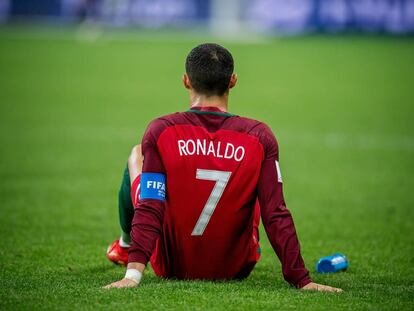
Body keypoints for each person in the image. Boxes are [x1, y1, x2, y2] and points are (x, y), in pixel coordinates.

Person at [104, 43, 342, 292]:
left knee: (138, 154)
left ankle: (125, 245)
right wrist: (302, 280)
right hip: (236, 268)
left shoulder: (162, 130)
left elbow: (151, 206)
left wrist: (132, 276)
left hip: (170, 265)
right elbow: (275, 213)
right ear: (233, 81)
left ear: (186, 81)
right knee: (255, 180)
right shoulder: (259, 135)